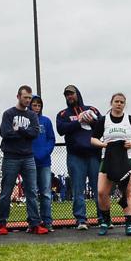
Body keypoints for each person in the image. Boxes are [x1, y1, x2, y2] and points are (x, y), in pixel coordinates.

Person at [90, 93, 131, 235]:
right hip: (108, 159)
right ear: (111, 103)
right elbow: (93, 139)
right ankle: (106, 221)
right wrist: (102, 144)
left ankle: (129, 224)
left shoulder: (130, 120)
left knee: (127, 192)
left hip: (127, 159)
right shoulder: (103, 120)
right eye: (116, 101)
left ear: (124, 104)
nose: (119, 104)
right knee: (102, 192)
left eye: (122, 102)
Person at [0, 85, 43, 235]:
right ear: (18, 96)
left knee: (32, 192)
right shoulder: (8, 114)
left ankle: (34, 223)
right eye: (25, 97)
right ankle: (1, 223)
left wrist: (19, 130)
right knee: (6, 192)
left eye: (30, 98)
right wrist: (24, 133)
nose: (28, 100)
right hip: (11, 157)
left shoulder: (32, 115)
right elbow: (5, 133)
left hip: (28, 157)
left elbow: (35, 133)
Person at [55, 85, 102, 230]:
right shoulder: (63, 114)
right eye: (67, 95)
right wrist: (78, 121)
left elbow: (102, 126)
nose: (69, 97)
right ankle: (81, 219)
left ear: (78, 94)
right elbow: (61, 130)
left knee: (99, 189)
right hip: (75, 156)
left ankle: (103, 217)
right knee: (77, 189)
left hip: (93, 155)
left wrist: (92, 121)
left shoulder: (92, 109)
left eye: (72, 94)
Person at [29, 95, 56, 232]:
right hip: (30, 162)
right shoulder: (26, 121)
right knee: (31, 193)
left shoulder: (46, 121)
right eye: (34, 105)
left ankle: (47, 221)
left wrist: (46, 152)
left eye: (39, 105)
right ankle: (33, 222)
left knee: (46, 193)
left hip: (45, 162)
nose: (37, 108)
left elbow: (51, 139)